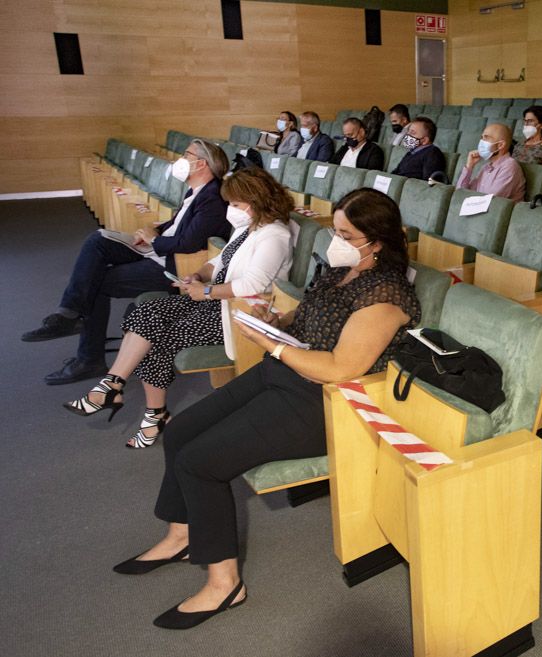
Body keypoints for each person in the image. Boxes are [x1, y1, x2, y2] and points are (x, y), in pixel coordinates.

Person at [112, 188, 420, 630]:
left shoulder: (386, 293)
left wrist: (271, 346)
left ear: (377, 240)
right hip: (288, 373)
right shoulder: (343, 268)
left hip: (323, 403)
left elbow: (341, 367)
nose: (334, 240)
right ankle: (182, 535)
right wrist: (278, 323)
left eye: (345, 234)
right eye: (334, 229)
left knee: (201, 463)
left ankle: (225, 586)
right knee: (180, 432)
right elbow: (316, 314)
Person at [62, 168, 296, 448]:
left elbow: (252, 285)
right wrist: (197, 276)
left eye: (235, 204)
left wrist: (206, 292)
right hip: (213, 301)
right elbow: (219, 262)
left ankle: (151, 414)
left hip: (237, 314)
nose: (230, 210)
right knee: (144, 315)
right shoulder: (248, 228)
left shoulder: (275, 235)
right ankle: (114, 386)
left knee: (158, 338)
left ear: (255, 201)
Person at [23, 139, 231, 385]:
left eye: (187, 154)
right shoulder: (196, 192)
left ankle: (87, 355)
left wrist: (154, 240)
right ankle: (68, 314)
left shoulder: (213, 197)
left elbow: (189, 242)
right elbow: (178, 225)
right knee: (97, 241)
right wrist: (153, 232)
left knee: (97, 281)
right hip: (157, 249)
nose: (181, 159)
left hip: (172, 264)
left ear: (201, 164)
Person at [455, 123, 526, 201]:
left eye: (486, 138)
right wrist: (469, 166)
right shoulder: (486, 167)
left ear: (500, 145)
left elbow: (490, 202)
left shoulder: (510, 166)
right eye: (481, 138)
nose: (481, 142)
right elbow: (460, 193)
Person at [391, 116, 448, 181]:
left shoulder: (433, 153)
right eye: (408, 132)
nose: (407, 135)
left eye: (412, 133)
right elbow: (395, 172)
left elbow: (427, 182)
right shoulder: (411, 152)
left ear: (424, 140)